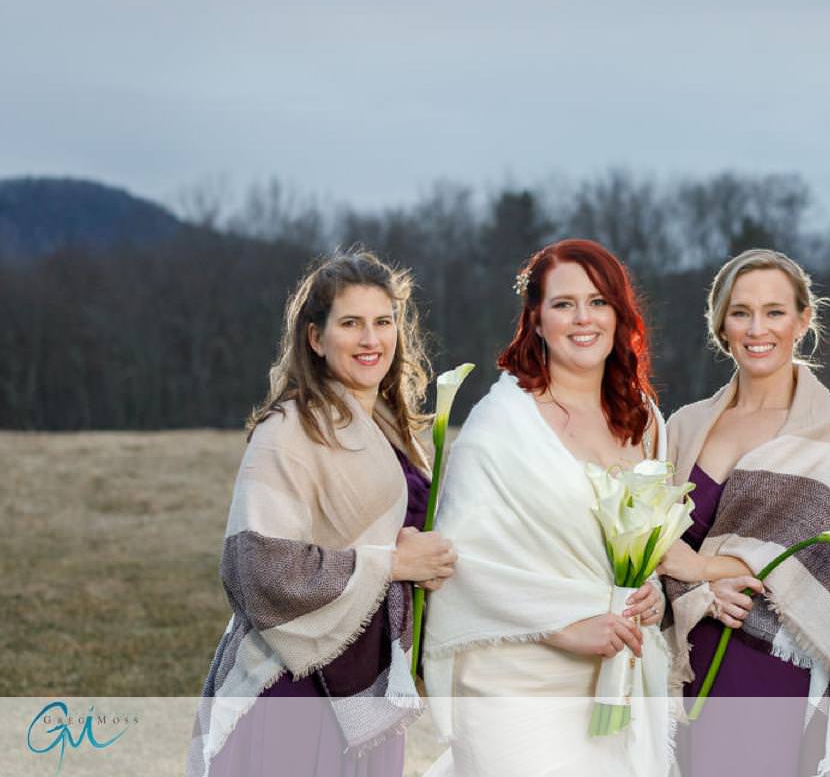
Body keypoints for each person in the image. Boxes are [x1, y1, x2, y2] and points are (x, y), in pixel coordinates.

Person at [188, 251, 457, 777]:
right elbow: (255, 568)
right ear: (315, 337)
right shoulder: (288, 430)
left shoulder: (390, 426)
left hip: (366, 693)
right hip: (294, 689)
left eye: (383, 322)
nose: (371, 339)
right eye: (350, 323)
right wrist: (391, 564)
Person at [422, 239, 672, 777]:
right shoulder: (501, 427)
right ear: (535, 320)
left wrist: (650, 595)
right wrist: (563, 625)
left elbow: (645, 543)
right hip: (518, 678)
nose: (584, 318)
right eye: (564, 304)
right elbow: (461, 565)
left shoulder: (645, 419)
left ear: (620, 314)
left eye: (599, 301)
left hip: (616, 678)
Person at [657, 249, 830, 776]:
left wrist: (693, 565)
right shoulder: (682, 426)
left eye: (774, 312)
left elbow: (805, 559)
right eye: (741, 312)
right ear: (720, 324)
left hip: (765, 658)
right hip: (679, 651)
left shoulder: (828, 433)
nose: (758, 328)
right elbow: (642, 540)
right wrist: (697, 589)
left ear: (803, 320)